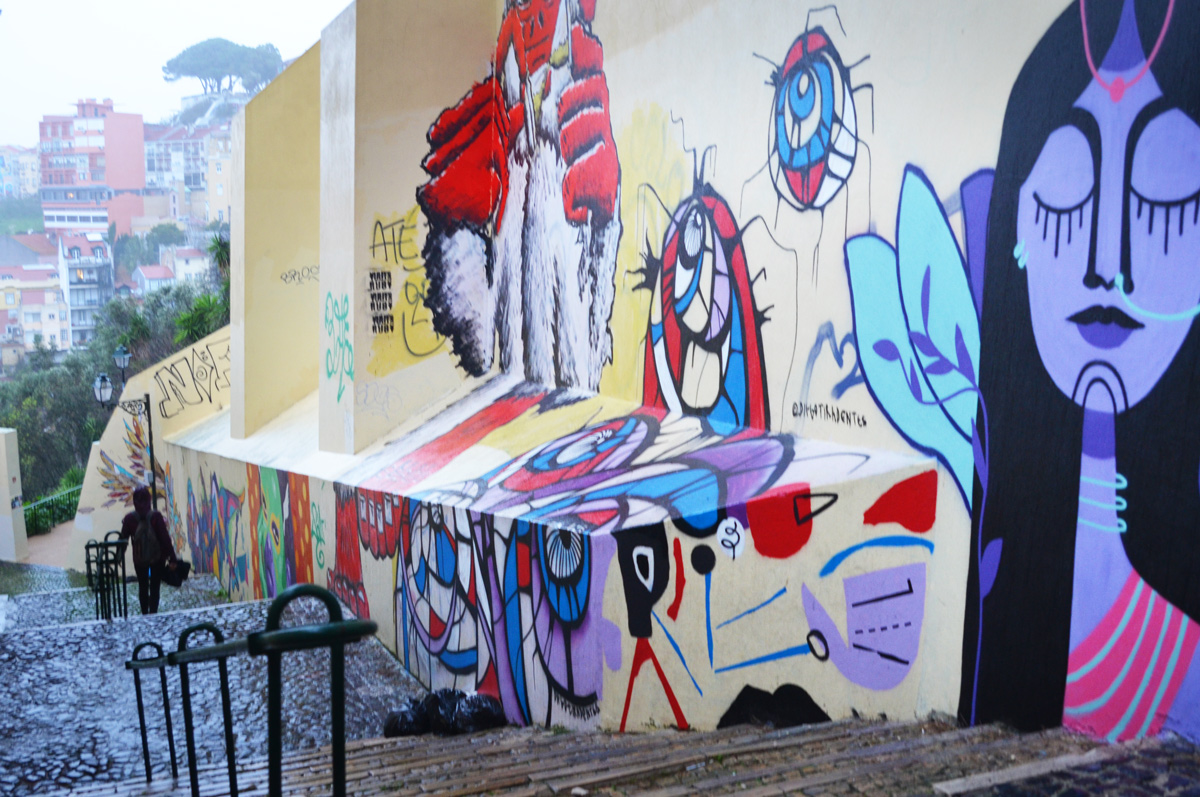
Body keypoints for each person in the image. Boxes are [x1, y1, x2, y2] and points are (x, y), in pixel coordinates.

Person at [959, 0, 1200, 740]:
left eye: (1163, 204)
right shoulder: (1000, 559)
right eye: (1067, 201)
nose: (1107, 265)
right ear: (1018, 232)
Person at [120, 486, 177, 615]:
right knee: (155, 586)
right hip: (158, 557)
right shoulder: (156, 517)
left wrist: (118, 556)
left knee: (143, 586)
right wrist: (172, 558)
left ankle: (145, 613)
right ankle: (153, 612)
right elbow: (165, 539)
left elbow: (123, 539)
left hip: (139, 558)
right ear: (149, 499)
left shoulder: (129, 519)